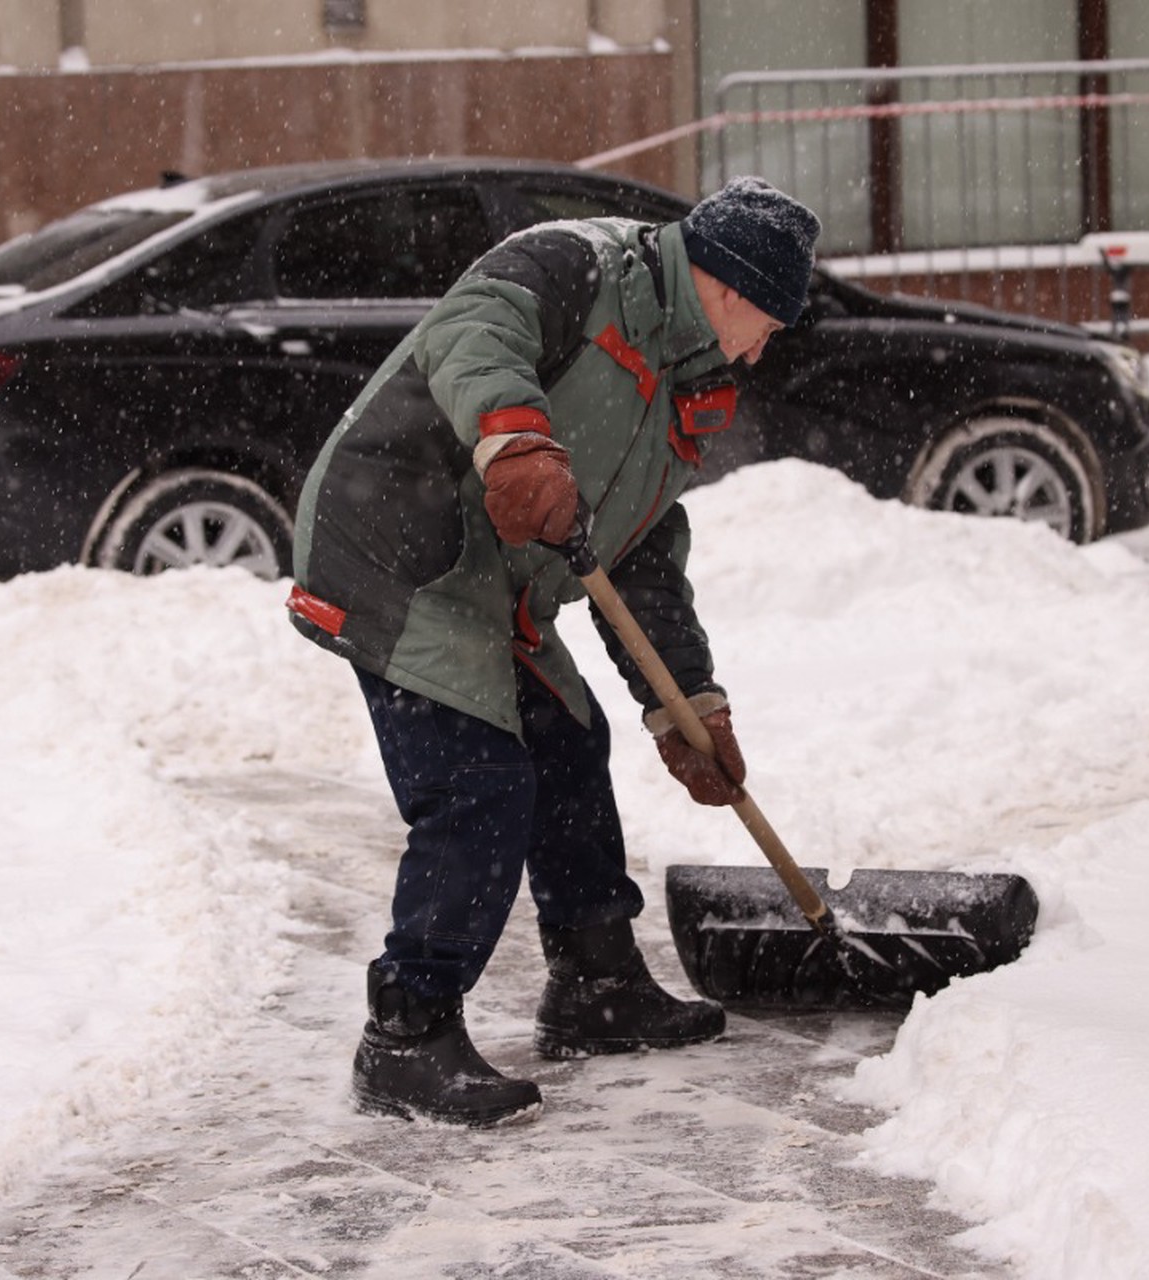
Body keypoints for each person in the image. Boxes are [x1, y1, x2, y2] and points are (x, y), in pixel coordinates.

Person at [284, 176, 822, 1127]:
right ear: (732, 288)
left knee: (570, 744)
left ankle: (595, 983)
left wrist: (687, 704)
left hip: (495, 584)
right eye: (771, 323)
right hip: (399, 552)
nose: (767, 346)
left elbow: (642, 554)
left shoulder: (696, 380)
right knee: (482, 784)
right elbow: (472, 330)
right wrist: (516, 441)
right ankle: (406, 1033)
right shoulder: (579, 262)